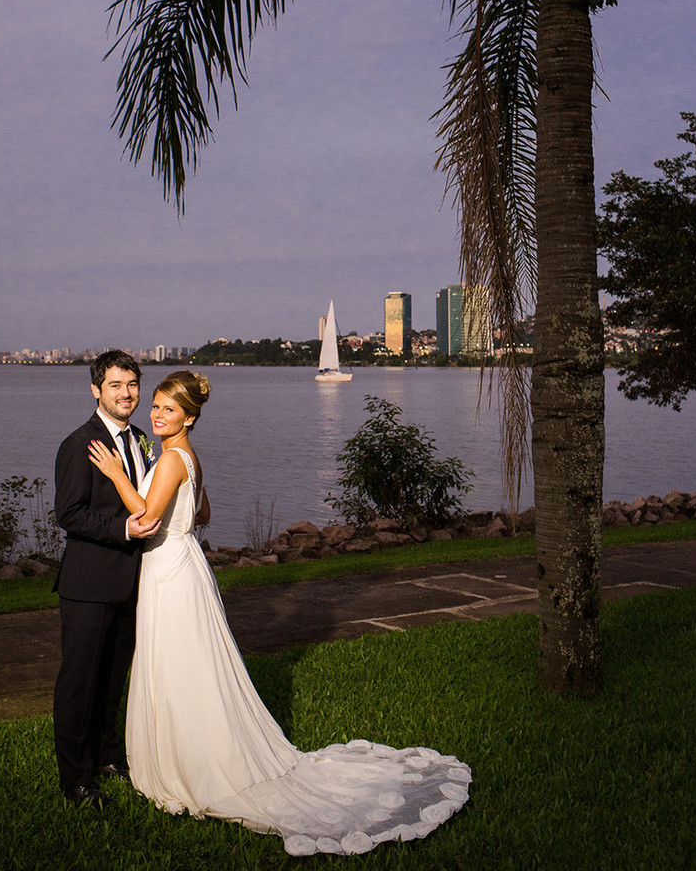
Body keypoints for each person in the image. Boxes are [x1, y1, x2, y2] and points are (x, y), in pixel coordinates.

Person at [88, 369, 471, 856]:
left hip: (167, 571)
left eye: (168, 409)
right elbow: (202, 514)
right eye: (156, 406)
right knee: (193, 664)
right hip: (186, 564)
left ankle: (191, 764)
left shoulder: (168, 460)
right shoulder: (188, 456)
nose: (157, 415)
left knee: (179, 664)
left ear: (189, 416)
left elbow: (144, 519)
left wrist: (118, 475)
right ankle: (199, 748)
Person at [52, 350, 160, 808]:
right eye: (116, 385)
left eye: (132, 384)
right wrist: (123, 529)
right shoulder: (79, 444)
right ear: (96, 389)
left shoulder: (140, 438)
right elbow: (69, 513)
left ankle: (108, 755)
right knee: (79, 684)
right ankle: (76, 780)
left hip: (133, 583)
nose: (127, 394)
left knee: (115, 678)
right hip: (89, 585)